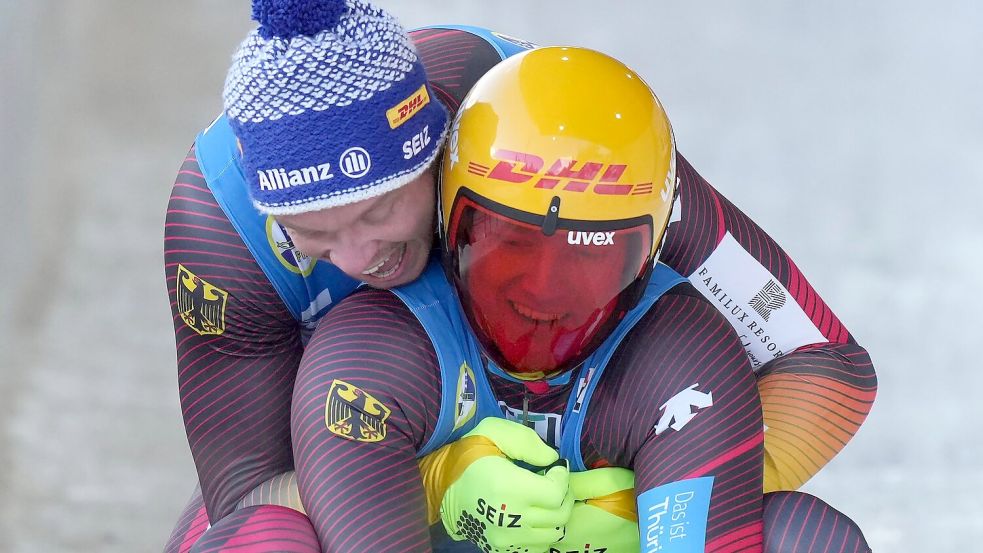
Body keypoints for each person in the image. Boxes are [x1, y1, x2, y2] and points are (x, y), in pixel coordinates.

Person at [162, 0, 876, 551]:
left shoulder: (556, 133)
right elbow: (245, 492)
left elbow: (828, 369)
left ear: (442, 156)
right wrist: (433, 485)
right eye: (311, 237)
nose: (357, 259)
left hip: (592, 443)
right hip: (362, 457)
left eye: (380, 211)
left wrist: (645, 502)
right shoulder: (219, 232)